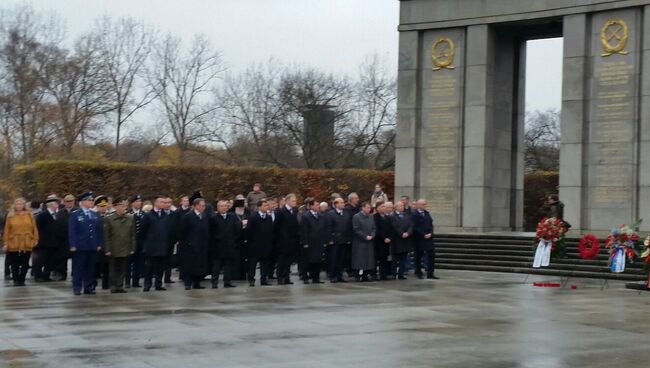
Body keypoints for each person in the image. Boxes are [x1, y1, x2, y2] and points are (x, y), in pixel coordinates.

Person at [68, 192, 104, 295]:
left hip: (92, 245)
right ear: (83, 202)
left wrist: (99, 243)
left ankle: (88, 287)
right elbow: (72, 231)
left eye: (92, 201)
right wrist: (73, 244)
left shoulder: (94, 215)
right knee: (78, 268)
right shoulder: (76, 214)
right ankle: (77, 287)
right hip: (80, 246)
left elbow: (98, 231)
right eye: (89, 200)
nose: (91, 202)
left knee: (90, 268)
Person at [2, 197, 39, 286]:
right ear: (14, 205)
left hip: (27, 241)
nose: (19, 206)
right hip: (14, 241)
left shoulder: (29, 215)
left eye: (21, 204)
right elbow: (6, 230)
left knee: (25, 263)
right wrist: (6, 243)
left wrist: (35, 239)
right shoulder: (10, 216)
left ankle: (21, 279)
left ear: (24, 205)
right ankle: (16, 280)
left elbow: (34, 228)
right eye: (17, 204)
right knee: (14, 263)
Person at [103, 197, 136, 293]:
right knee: (113, 268)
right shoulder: (108, 218)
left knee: (122, 268)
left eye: (125, 205)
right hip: (114, 247)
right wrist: (107, 249)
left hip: (125, 246)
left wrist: (132, 247)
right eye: (122, 205)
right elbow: (106, 235)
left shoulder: (130, 218)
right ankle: (113, 286)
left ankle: (120, 285)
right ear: (116, 206)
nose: (124, 207)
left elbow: (132, 234)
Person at [141, 195, 173, 291]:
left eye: (164, 202)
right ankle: (147, 284)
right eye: (161, 202)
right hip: (151, 246)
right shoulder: (148, 215)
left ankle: (158, 284)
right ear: (155, 203)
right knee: (149, 267)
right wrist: (146, 243)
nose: (163, 204)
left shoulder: (166, 216)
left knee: (160, 267)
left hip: (162, 245)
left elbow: (168, 230)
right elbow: (143, 231)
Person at [34, 194, 67, 282]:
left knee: (51, 261)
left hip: (55, 243)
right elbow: (37, 228)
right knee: (40, 261)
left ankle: (46, 276)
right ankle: (38, 276)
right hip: (44, 243)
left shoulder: (58, 214)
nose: (57, 205)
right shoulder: (42, 215)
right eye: (56, 204)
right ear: (51, 205)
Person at [179, 198, 210, 290]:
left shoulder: (204, 216)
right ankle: (188, 283)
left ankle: (197, 282)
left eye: (204, 206)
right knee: (189, 265)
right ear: (196, 206)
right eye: (202, 205)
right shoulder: (188, 216)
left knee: (199, 264)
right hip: (190, 245)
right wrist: (187, 242)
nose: (203, 207)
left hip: (202, 244)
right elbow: (182, 231)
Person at [211, 199, 241, 288]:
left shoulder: (232, 217)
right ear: (218, 207)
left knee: (228, 265)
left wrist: (234, 240)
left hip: (229, 245)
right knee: (216, 265)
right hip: (218, 246)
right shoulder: (213, 218)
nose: (224, 208)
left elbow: (237, 229)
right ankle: (214, 282)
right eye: (222, 206)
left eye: (225, 206)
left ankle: (227, 281)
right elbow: (211, 232)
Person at [299, 198, 328, 284]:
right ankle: (305, 277)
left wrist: (324, 241)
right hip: (310, 242)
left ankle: (316, 278)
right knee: (307, 260)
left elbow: (323, 229)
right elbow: (303, 230)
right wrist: (305, 242)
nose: (318, 207)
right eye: (316, 205)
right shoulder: (306, 216)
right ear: (311, 206)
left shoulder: (320, 216)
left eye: (318, 205)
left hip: (319, 242)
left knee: (318, 260)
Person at [246, 199, 274, 287]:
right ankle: (251, 279)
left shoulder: (268, 218)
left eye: (267, 206)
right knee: (253, 263)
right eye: (265, 206)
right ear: (259, 207)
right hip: (255, 245)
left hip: (265, 244)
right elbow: (249, 231)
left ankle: (263, 279)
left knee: (264, 263)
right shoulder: (253, 217)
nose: (267, 207)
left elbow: (271, 230)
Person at [274, 194, 300, 285]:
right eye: (293, 201)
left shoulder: (294, 211)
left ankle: (286, 277)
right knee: (282, 261)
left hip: (292, 240)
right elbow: (276, 226)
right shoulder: (281, 212)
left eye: (295, 201)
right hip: (283, 241)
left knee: (288, 261)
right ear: (288, 201)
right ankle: (280, 278)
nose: (295, 202)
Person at [326, 197, 352, 283]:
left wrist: (348, 238)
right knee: (334, 258)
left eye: (343, 202)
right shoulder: (331, 214)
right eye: (340, 203)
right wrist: (330, 239)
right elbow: (328, 227)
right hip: (335, 240)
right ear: (336, 204)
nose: (343, 204)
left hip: (344, 240)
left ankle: (339, 275)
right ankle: (333, 275)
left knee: (341, 259)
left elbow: (348, 226)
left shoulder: (346, 213)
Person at [412, 199, 438, 279]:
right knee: (418, 256)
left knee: (431, 256)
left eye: (425, 204)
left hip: (429, 239)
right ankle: (418, 272)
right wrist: (423, 234)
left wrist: (431, 233)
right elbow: (415, 227)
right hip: (419, 239)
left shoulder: (427, 214)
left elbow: (431, 225)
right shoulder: (414, 214)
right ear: (418, 205)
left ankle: (430, 273)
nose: (424, 206)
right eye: (423, 204)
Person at [351, 202, 376, 281]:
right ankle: (356, 275)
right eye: (368, 207)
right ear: (363, 208)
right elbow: (356, 229)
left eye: (369, 208)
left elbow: (374, 228)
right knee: (358, 258)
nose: (369, 209)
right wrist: (365, 236)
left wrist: (372, 235)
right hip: (360, 241)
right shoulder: (356, 217)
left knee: (368, 259)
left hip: (369, 241)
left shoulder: (371, 217)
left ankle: (365, 274)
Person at [389, 202, 413, 280]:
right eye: (401, 205)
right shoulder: (392, 216)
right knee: (395, 259)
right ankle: (393, 273)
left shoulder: (407, 215)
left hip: (406, 240)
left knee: (404, 258)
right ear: (396, 207)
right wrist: (401, 233)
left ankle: (401, 274)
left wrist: (408, 233)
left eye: (403, 205)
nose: (402, 207)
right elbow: (394, 226)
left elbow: (411, 226)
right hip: (397, 240)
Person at [229, 195, 250, 280]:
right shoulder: (231, 213)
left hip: (245, 238)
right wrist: (241, 224)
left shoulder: (248, 212)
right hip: (236, 239)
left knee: (245, 258)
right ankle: (235, 275)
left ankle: (243, 274)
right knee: (236, 258)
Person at [125, 195, 145, 288]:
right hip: (130, 242)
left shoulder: (143, 214)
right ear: (132, 203)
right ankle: (128, 281)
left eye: (140, 201)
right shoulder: (128, 213)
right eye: (137, 201)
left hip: (140, 242)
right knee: (128, 263)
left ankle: (136, 281)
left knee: (138, 263)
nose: (139, 203)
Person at [92, 195, 110, 290]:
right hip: (97, 245)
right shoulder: (93, 216)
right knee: (95, 265)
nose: (104, 208)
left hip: (107, 245)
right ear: (97, 206)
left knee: (107, 266)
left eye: (105, 206)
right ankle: (93, 283)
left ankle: (106, 284)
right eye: (101, 206)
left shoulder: (109, 216)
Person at [374, 201, 393, 281]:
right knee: (376, 258)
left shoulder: (387, 217)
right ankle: (373, 274)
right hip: (378, 241)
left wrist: (390, 237)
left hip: (387, 241)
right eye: (382, 206)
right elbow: (376, 229)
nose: (384, 208)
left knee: (384, 258)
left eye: (384, 206)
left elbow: (391, 228)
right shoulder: (375, 217)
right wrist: (384, 237)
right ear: (377, 208)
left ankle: (383, 274)